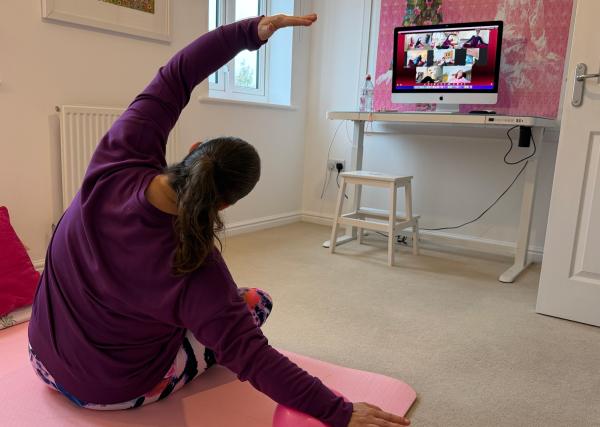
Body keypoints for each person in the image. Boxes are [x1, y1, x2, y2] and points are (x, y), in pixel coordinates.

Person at [27, 13, 411, 427]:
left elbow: (177, 75)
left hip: (39, 355)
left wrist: (251, 30)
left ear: (192, 150)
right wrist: (339, 411)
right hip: (109, 394)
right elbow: (252, 356)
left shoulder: (117, 159)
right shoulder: (197, 268)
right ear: (224, 206)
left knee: (212, 310)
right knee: (255, 304)